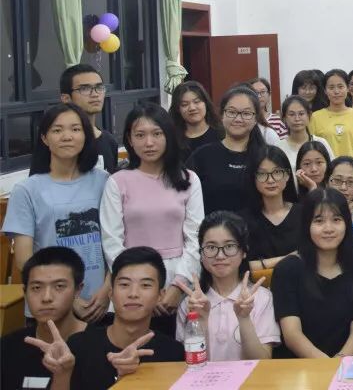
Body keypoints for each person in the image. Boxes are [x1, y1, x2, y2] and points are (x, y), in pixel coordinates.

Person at [101, 103, 203, 334]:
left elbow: (195, 238)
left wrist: (178, 286)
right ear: (129, 139)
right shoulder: (118, 182)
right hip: (132, 281)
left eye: (157, 134)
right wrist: (138, 285)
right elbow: (111, 241)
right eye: (140, 135)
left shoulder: (188, 179)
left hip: (179, 276)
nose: (149, 143)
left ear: (168, 136)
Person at [4, 103, 111, 323]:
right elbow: (24, 259)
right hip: (49, 305)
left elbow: (116, 243)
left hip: (100, 304)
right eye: (57, 130)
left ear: (86, 135)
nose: (67, 136)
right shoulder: (26, 190)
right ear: (44, 138)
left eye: (75, 129)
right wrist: (70, 299)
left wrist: (107, 291)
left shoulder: (104, 181)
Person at [41, 247, 186, 390]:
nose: (133, 294)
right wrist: (62, 374)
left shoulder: (173, 353)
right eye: (124, 284)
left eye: (145, 285)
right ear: (110, 293)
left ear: (160, 295)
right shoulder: (79, 346)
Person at [272, 188, 353, 358]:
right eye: (319, 221)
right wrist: (327, 366)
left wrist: (339, 362)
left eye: (336, 220)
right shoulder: (287, 270)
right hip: (299, 367)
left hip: (344, 364)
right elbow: (292, 335)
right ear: (306, 225)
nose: (329, 229)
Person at [176, 211, 279, 360]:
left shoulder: (262, 298)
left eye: (229, 246)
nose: (220, 256)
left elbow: (262, 362)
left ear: (244, 251)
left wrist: (244, 319)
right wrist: (201, 320)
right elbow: (190, 363)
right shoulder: (191, 303)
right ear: (201, 254)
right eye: (211, 247)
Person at [1, 247, 86, 390]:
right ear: (25, 292)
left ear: (78, 290)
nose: (46, 298)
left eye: (59, 286)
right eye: (36, 288)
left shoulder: (102, 347)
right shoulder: (6, 348)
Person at [188, 85, 268, 215]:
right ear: (222, 114)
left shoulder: (266, 156)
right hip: (212, 227)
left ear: (256, 119)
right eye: (231, 112)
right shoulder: (202, 156)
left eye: (246, 113)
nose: (238, 119)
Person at [243, 146, 301, 273]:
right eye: (262, 174)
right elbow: (240, 266)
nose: (270, 180)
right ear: (253, 178)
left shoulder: (303, 213)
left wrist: (262, 264)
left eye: (277, 172)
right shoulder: (243, 220)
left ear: (287, 175)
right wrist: (287, 259)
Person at [58, 64, 118, 173]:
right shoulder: (58, 142)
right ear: (66, 98)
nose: (95, 94)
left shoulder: (110, 142)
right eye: (85, 89)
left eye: (99, 88)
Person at [308, 69, 353, 160]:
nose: (336, 91)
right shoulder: (315, 117)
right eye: (331, 87)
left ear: (347, 88)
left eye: (340, 87)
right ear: (325, 90)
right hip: (327, 168)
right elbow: (311, 149)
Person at [278, 95, 334, 179]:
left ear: (309, 116)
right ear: (284, 118)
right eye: (291, 114)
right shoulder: (278, 147)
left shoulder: (321, 143)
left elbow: (332, 170)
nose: (297, 119)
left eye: (301, 114)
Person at [169, 80, 222, 161]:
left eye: (197, 102)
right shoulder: (172, 139)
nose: (192, 108)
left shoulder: (222, 135)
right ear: (178, 109)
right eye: (184, 104)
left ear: (206, 103)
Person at [327, 156, 353, 252]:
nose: (343, 187)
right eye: (337, 180)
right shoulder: (315, 217)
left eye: (351, 182)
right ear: (326, 183)